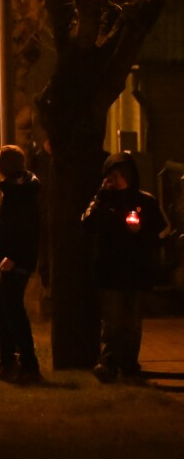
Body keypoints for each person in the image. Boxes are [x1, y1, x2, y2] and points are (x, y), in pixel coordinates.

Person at [83, 151, 166, 383]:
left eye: (120, 174)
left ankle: (129, 364)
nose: (116, 179)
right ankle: (109, 363)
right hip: (110, 271)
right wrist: (100, 197)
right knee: (112, 321)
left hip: (137, 270)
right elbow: (87, 222)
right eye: (112, 174)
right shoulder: (103, 201)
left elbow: (162, 231)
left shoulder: (145, 201)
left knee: (132, 322)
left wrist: (142, 235)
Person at [0, 145, 41, 382]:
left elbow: (23, 230)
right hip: (14, 258)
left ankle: (26, 363)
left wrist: (12, 257)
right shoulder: (19, 189)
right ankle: (9, 360)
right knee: (4, 306)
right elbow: (6, 227)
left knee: (13, 310)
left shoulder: (21, 193)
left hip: (17, 261)